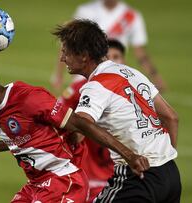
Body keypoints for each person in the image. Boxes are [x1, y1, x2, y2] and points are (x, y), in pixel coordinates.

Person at [0, 59, 150, 203]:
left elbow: (81, 124)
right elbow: (22, 141)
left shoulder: (27, 99)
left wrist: (128, 154)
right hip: (36, 185)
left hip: (64, 180)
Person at [53, 19, 181, 202]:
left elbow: (82, 126)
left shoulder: (96, 86)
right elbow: (171, 117)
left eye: (65, 52)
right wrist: (164, 159)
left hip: (138, 176)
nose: (62, 58)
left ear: (83, 55)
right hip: (170, 174)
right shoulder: (131, 73)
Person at [59, 39, 126, 203]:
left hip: (120, 168)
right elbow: (58, 113)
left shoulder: (128, 86)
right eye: (108, 56)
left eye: (116, 56)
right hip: (91, 170)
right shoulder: (82, 88)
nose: (112, 60)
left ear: (123, 60)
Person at [51, 0, 167, 93]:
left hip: (116, 73)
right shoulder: (86, 11)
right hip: (86, 72)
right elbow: (69, 44)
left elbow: (140, 53)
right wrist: (59, 74)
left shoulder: (132, 16)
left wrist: (155, 77)